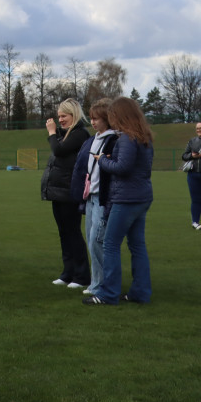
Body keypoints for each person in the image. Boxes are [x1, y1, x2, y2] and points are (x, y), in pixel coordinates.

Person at [84, 97, 154, 306]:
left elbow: (122, 168)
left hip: (126, 198)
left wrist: (102, 160)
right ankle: (140, 292)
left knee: (110, 244)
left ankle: (108, 293)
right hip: (142, 197)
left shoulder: (126, 139)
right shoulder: (145, 137)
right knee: (137, 246)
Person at [69, 99, 117, 297]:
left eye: (97, 118)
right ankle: (97, 281)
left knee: (97, 241)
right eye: (92, 118)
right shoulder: (92, 140)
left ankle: (102, 284)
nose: (93, 122)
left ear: (107, 119)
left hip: (103, 198)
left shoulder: (113, 140)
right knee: (92, 240)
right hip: (90, 197)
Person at [42, 98, 90, 289]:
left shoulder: (79, 134)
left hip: (70, 191)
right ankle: (67, 272)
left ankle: (81, 275)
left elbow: (59, 150)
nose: (60, 119)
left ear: (74, 115)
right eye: (59, 116)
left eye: (64, 116)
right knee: (64, 233)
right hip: (58, 191)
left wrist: (52, 133)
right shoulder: (66, 135)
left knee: (73, 233)